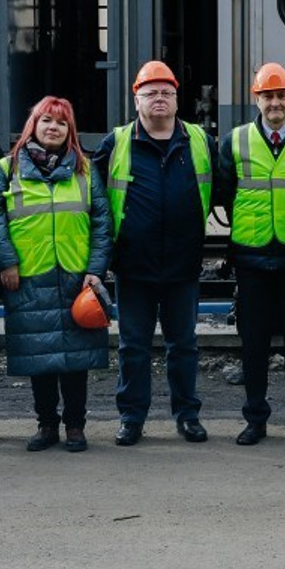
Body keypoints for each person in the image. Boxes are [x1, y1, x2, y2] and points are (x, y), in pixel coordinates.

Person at [94, 61, 216, 448]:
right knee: (133, 347)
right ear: (137, 100)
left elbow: (228, 191)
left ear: (178, 100)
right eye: (151, 92)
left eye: (166, 92)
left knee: (184, 346)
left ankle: (187, 415)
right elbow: (94, 201)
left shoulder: (200, 141)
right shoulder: (116, 143)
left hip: (183, 265)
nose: (159, 98)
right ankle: (131, 418)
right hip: (133, 266)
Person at [0, 96, 111, 453]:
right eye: (46, 121)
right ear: (33, 126)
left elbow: (102, 223)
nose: (53, 127)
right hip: (29, 276)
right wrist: (6, 261)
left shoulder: (85, 170)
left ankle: (75, 426)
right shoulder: (8, 169)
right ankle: (46, 424)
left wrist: (95, 270)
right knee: (40, 358)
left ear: (70, 131)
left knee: (75, 360)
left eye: (61, 123)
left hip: (74, 277)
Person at [219, 62, 285, 447]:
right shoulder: (235, 140)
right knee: (254, 346)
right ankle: (256, 420)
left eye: (281, 95)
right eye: (268, 96)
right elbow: (225, 191)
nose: (275, 103)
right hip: (252, 258)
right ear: (256, 99)